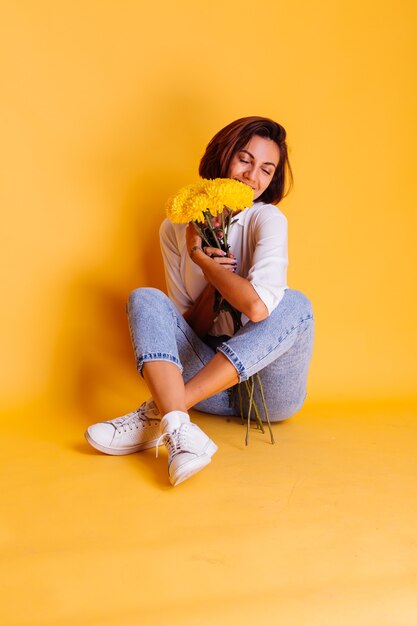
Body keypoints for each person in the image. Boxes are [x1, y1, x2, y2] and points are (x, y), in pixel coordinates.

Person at [85, 116, 315, 486]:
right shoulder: (176, 229)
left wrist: (206, 263)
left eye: (266, 169)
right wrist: (209, 273)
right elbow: (186, 327)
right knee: (145, 297)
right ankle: (181, 430)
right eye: (245, 159)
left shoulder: (267, 219)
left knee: (296, 305)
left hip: (269, 396)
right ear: (223, 156)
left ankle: (162, 411)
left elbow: (257, 309)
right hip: (208, 379)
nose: (252, 176)